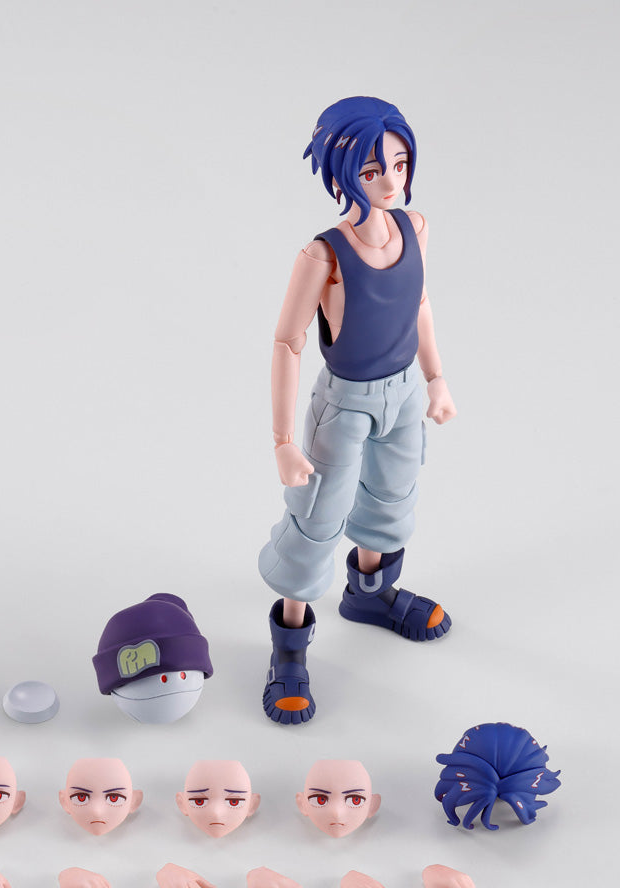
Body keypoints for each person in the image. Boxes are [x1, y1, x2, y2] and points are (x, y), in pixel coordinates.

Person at [258, 96, 457, 725]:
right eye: (373, 170)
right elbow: (288, 342)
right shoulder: (324, 254)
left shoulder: (415, 228)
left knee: (392, 496)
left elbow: (418, 304)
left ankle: (371, 594)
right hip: (345, 401)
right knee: (318, 515)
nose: (390, 180)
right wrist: (283, 440)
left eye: (399, 163)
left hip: (404, 392)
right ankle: (289, 645)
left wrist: (437, 378)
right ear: (344, 174)